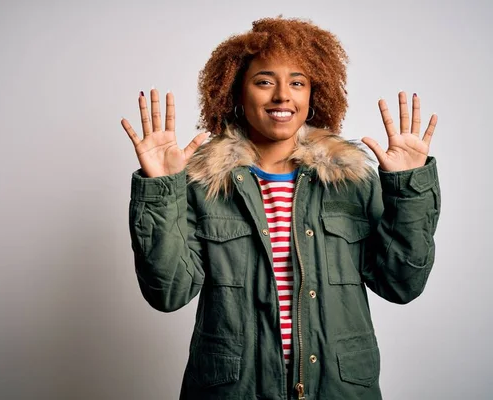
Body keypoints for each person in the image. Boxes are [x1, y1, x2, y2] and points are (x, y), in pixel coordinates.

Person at [120, 17, 440, 400]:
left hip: (338, 390)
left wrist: (408, 192)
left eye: (298, 82)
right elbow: (168, 292)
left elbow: (401, 284)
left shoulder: (352, 179)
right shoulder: (203, 183)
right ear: (237, 93)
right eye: (265, 81)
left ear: (313, 94)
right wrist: (160, 188)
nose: (282, 96)